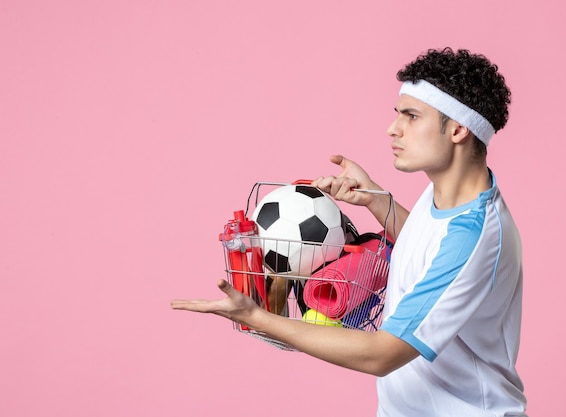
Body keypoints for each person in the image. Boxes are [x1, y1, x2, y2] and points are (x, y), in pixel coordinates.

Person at [171, 47, 527, 416]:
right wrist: (373, 198)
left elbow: (382, 354)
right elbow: (429, 247)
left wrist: (257, 317)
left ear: (457, 129)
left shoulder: (473, 236)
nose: (393, 128)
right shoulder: (451, 195)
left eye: (412, 116)